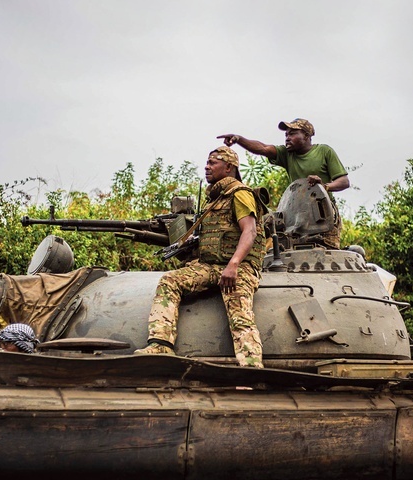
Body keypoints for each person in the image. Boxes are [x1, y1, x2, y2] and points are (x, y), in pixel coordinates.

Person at [134, 146, 266, 368]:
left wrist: (233, 265)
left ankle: (251, 368)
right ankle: (161, 344)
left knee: (240, 314)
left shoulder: (240, 193)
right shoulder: (214, 200)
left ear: (229, 167)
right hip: (209, 266)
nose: (207, 166)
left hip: (238, 267)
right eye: (207, 162)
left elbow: (250, 231)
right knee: (170, 281)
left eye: (213, 162)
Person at [218, 118, 349, 248]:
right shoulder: (287, 154)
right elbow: (263, 148)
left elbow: (344, 181)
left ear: (307, 135)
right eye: (286, 134)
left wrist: (324, 186)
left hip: (323, 214)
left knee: (326, 252)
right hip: (298, 216)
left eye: (292, 134)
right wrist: (239, 139)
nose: (287, 138)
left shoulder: (324, 151)